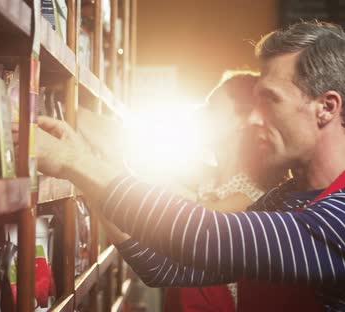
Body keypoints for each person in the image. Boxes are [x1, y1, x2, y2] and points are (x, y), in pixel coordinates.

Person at [35, 21, 345, 310]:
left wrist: (73, 162)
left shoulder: (340, 214)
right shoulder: (283, 199)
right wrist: (83, 173)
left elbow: (208, 235)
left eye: (271, 100)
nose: (253, 119)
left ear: (326, 108)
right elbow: (165, 266)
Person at [83, 71, 319, 312]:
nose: (198, 114)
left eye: (210, 107)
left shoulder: (255, 200)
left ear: (242, 120)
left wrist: (87, 160)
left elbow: (173, 226)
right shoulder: (203, 182)